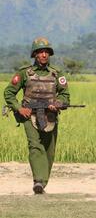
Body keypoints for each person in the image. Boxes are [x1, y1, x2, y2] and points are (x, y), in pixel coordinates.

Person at [4, 37, 70, 194]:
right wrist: (19, 108)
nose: (44, 55)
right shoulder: (24, 73)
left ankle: (43, 182)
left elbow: (65, 95)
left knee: (49, 150)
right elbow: (9, 93)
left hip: (50, 116)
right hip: (29, 115)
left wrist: (59, 103)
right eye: (40, 52)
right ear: (34, 54)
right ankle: (38, 181)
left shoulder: (57, 74)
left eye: (47, 52)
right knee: (35, 145)